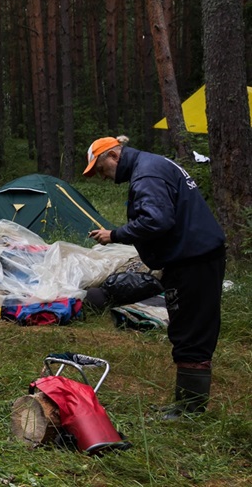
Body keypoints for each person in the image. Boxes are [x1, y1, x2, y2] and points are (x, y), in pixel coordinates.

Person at [83, 135, 226, 419]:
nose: (102, 177)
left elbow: (157, 220)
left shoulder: (146, 173)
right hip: (195, 255)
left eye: (100, 170)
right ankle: (187, 405)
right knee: (189, 327)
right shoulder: (152, 164)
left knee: (191, 330)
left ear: (113, 156)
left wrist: (115, 235)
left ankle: (189, 410)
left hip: (193, 260)